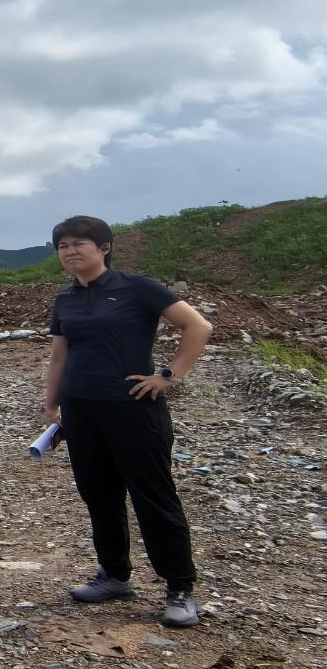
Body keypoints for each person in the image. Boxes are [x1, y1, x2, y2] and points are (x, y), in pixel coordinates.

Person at [43, 215, 213, 628]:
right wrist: (52, 405)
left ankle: (180, 589)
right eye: (63, 246)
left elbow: (198, 326)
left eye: (79, 243)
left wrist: (167, 376)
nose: (70, 251)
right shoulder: (65, 300)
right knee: (99, 495)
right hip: (82, 410)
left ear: (104, 248)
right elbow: (59, 356)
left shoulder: (137, 287)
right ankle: (114, 576)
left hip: (133, 408)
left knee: (153, 496)